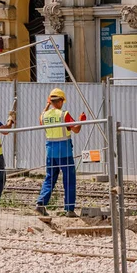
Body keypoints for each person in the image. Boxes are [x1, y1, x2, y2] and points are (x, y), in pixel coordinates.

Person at [36, 88, 85, 217]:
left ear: (51, 101)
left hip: (50, 152)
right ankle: (69, 209)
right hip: (64, 152)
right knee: (69, 180)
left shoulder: (44, 115)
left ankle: (41, 203)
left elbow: (41, 118)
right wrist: (81, 121)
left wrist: (47, 104)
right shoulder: (64, 114)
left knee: (49, 178)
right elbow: (76, 130)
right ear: (61, 101)